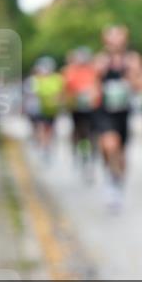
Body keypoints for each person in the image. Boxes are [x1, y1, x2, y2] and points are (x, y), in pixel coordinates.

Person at [93, 26, 142, 212]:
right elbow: (93, 84)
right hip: (105, 110)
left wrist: (131, 77)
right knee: (109, 145)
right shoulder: (100, 60)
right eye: (111, 38)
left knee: (121, 152)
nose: (114, 41)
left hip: (124, 110)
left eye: (118, 37)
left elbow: (139, 85)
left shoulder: (132, 59)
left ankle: (118, 182)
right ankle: (110, 178)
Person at [63, 46, 99, 181]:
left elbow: (97, 86)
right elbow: (66, 88)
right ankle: (78, 153)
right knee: (79, 131)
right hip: (76, 108)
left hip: (92, 107)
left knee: (92, 133)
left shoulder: (93, 70)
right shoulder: (70, 71)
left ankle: (91, 156)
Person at [31, 56, 64, 161]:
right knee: (40, 127)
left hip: (51, 109)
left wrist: (57, 100)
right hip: (38, 108)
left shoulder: (56, 78)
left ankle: (46, 146)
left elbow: (60, 92)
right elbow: (33, 94)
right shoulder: (36, 79)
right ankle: (42, 145)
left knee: (49, 128)